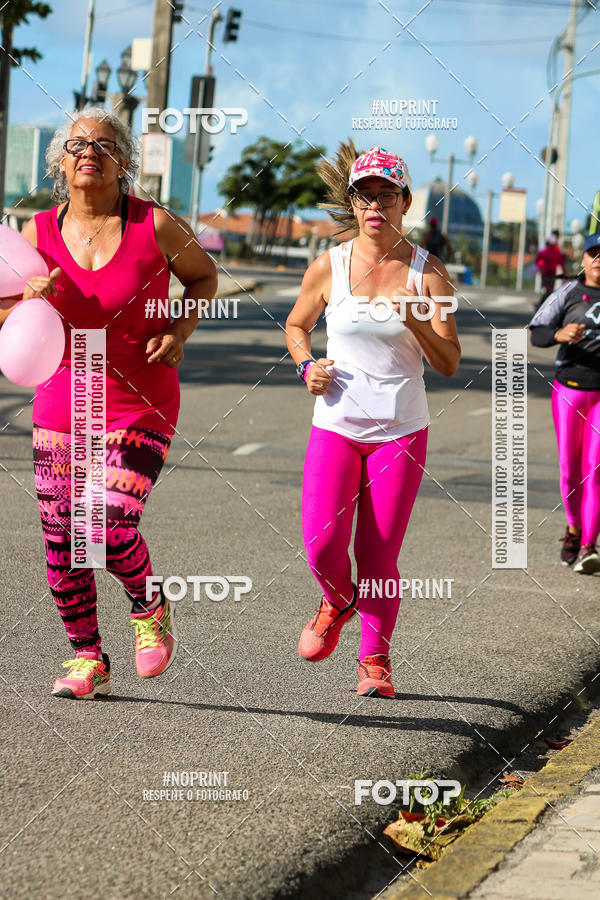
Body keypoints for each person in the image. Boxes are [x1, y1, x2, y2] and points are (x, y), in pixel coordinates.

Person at [0, 108, 217, 697]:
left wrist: (178, 330)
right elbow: (5, 310)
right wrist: (24, 301)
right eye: (77, 145)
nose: (89, 152)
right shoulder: (35, 234)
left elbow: (203, 277)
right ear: (60, 164)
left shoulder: (155, 225)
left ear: (124, 162)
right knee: (62, 537)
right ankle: (87, 656)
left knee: (108, 522)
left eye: (104, 144)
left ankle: (150, 608)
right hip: (62, 403)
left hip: (138, 402)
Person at [285, 143, 460, 697]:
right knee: (320, 543)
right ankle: (338, 600)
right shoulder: (329, 265)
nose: (375, 206)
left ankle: (375, 660)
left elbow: (449, 361)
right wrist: (306, 366)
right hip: (336, 425)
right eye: (365, 196)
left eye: (387, 195)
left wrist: (418, 321)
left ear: (405, 202)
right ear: (353, 203)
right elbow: (296, 325)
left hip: (400, 431)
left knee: (378, 554)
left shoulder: (429, 272)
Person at [529, 232, 600, 574]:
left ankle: (588, 546)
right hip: (569, 390)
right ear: (583, 259)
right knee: (571, 471)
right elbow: (538, 332)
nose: (599, 259)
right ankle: (573, 529)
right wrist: (560, 334)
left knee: (594, 469)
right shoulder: (568, 292)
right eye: (594, 252)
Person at [535, 232, 566, 308]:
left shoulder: (556, 253)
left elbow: (561, 263)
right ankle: (542, 304)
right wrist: (541, 267)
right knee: (548, 290)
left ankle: (541, 304)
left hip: (552, 274)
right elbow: (538, 260)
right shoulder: (543, 252)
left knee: (549, 290)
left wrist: (564, 273)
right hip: (545, 273)